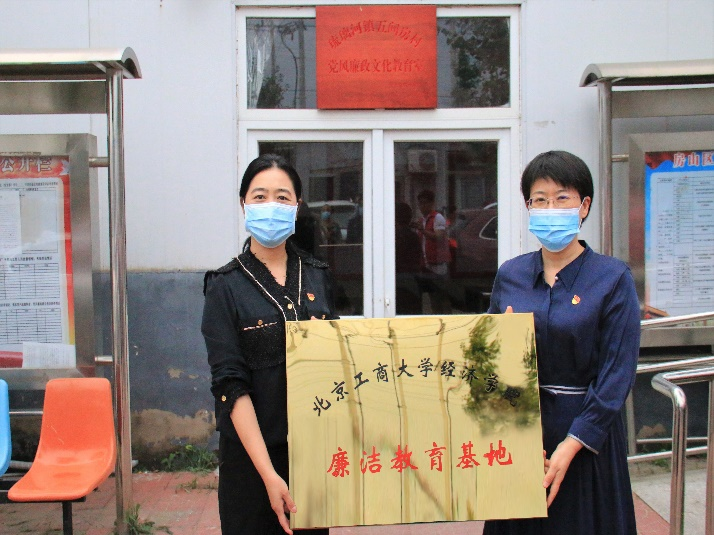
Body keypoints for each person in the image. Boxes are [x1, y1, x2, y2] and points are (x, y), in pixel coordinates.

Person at [483, 150, 640, 535]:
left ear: (583, 206)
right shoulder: (511, 275)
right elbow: (486, 360)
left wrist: (572, 444)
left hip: (586, 437)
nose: (550, 208)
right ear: (528, 206)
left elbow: (617, 374)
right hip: (522, 435)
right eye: (540, 199)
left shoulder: (612, 278)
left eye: (562, 198)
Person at [202, 154, 337, 535]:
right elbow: (230, 385)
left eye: (282, 197)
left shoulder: (318, 276)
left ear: (297, 206)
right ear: (243, 204)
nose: (271, 206)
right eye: (259, 196)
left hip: (313, 460)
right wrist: (269, 475)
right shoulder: (224, 286)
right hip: (251, 465)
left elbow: (339, 364)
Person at [411, 189, 452, 313]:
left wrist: (422, 230)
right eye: (420, 203)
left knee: (442, 297)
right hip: (427, 265)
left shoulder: (438, 218)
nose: (422, 206)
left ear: (431, 203)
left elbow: (439, 237)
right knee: (433, 298)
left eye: (425, 203)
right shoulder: (422, 220)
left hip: (439, 264)